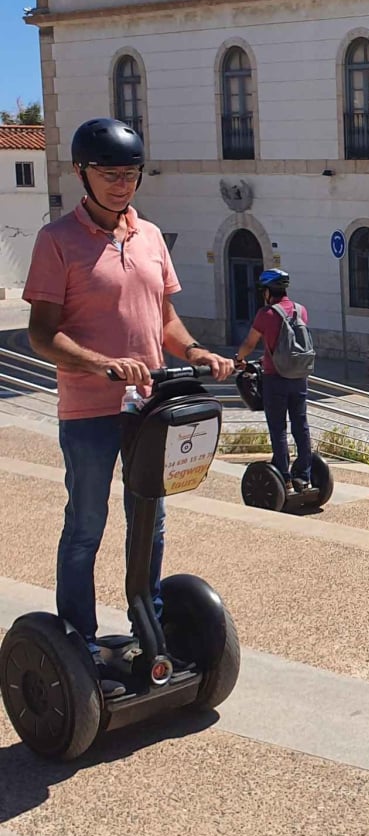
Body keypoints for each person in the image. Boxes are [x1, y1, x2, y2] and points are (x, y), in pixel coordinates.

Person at [23, 118, 235, 684]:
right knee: (87, 524)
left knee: (152, 523)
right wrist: (101, 363)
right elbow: (41, 334)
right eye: (110, 173)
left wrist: (195, 352)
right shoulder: (56, 241)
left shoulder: (150, 236)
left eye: (132, 173)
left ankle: (151, 632)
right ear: (81, 174)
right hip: (89, 410)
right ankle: (80, 643)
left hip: (149, 410)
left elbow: (165, 319)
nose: (122, 184)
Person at [233, 268, 314, 492]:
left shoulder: (265, 314)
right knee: (301, 425)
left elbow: (250, 342)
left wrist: (239, 359)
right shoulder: (301, 310)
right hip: (299, 377)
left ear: (268, 291)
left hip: (275, 379)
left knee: (278, 428)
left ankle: (284, 477)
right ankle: (304, 476)